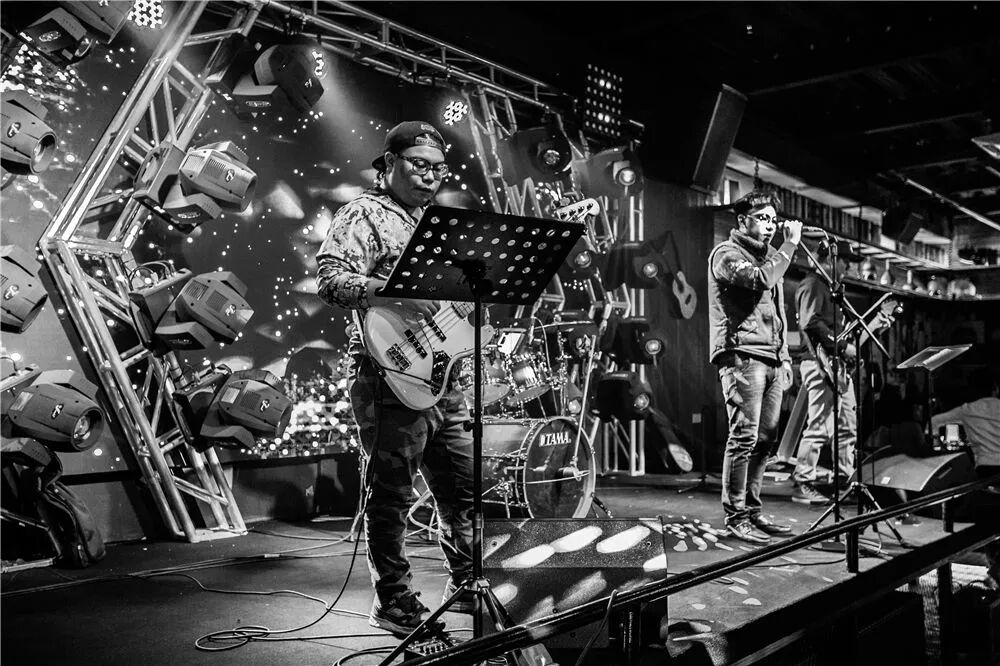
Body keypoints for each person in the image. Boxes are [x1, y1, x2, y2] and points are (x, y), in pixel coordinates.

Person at [315, 121, 474, 636]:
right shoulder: (364, 213)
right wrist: (394, 291)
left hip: (443, 375)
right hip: (388, 373)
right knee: (393, 495)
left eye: (438, 169)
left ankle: (466, 583)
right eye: (419, 165)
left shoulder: (435, 223)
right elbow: (330, 281)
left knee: (463, 488)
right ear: (389, 164)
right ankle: (393, 599)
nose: (431, 177)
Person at [708, 191, 800, 544]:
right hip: (741, 356)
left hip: (771, 358)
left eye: (773, 220)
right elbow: (760, 280)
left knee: (766, 439)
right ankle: (736, 515)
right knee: (744, 437)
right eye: (762, 218)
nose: (770, 225)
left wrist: (785, 357)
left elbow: (778, 314)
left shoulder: (771, 259)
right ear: (742, 220)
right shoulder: (726, 254)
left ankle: (752, 509)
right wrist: (789, 246)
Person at [791, 239, 871, 504]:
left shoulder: (830, 289)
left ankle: (845, 481)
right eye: (845, 261)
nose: (848, 267)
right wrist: (844, 347)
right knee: (820, 426)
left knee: (847, 425)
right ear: (830, 259)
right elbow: (810, 322)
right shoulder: (813, 284)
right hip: (819, 364)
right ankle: (803, 481)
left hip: (835, 366)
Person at [931, 368, 1000, 589]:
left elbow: (934, 422)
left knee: (988, 520)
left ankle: (994, 567)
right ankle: (995, 571)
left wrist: (935, 441)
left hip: (986, 474)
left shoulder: (967, 410)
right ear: (995, 388)